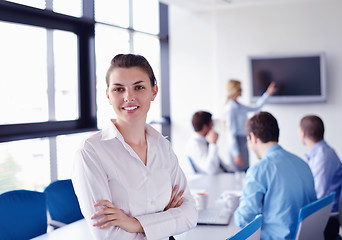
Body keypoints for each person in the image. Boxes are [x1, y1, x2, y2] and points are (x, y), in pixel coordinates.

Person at [72, 54, 198, 240]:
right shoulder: (90, 152)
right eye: (118, 89)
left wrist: (134, 224)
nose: (128, 97)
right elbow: (107, 234)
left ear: (154, 91)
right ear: (108, 95)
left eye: (138, 87)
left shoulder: (162, 146)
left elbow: (189, 214)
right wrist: (164, 220)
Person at [234, 111, 317, 240]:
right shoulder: (303, 164)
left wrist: (234, 209)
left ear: (253, 137)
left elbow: (244, 219)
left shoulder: (258, 169)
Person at [299, 115, 342, 240]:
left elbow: (318, 196)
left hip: (326, 222)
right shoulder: (323, 152)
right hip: (326, 217)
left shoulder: (322, 158)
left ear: (302, 134)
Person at [224, 79, 276, 172]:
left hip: (243, 141)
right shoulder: (230, 108)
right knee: (239, 173)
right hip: (237, 143)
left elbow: (255, 107)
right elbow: (230, 133)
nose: (242, 90)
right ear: (235, 90)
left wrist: (267, 94)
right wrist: (236, 153)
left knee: (245, 170)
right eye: (240, 88)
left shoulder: (238, 105)